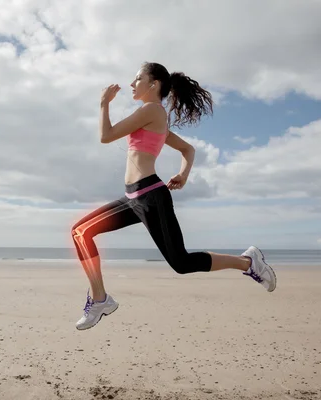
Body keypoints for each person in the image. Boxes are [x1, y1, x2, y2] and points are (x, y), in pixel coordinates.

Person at [71, 62, 276, 331]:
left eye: (137, 79)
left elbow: (106, 136)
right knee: (81, 232)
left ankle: (248, 262)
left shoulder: (151, 110)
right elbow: (188, 150)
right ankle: (100, 299)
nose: (132, 84)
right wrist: (183, 174)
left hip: (150, 196)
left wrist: (103, 103)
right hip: (132, 198)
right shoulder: (153, 118)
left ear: (153, 85)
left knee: (181, 263)